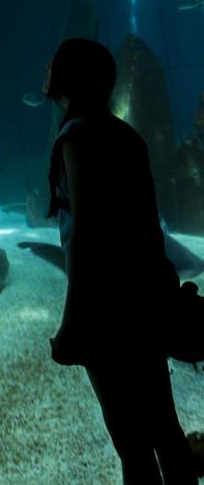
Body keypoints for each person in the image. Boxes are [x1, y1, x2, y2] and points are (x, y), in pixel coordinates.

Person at [44, 37, 196, 485]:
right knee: (165, 427)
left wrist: (73, 320)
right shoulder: (126, 135)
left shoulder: (76, 136)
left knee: (131, 441)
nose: (45, 68)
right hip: (147, 296)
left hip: (107, 308)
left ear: (67, 78)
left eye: (52, 63)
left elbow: (87, 235)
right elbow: (145, 230)